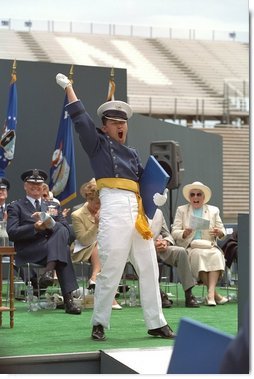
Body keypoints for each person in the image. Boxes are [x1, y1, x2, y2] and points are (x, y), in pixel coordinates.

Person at [56, 73, 175, 341]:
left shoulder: (132, 153)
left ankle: (156, 322)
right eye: (115, 122)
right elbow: (81, 119)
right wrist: (70, 89)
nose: (121, 126)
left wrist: (159, 196)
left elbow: (146, 181)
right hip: (113, 206)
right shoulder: (97, 144)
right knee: (110, 267)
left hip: (137, 211)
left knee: (149, 267)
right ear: (105, 126)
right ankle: (99, 322)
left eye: (123, 123)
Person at [6, 168, 81, 315]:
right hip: (30, 250)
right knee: (63, 249)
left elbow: (68, 232)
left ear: (43, 187)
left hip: (49, 250)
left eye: (39, 185)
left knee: (61, 231)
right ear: (25, 186)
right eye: (32, 185)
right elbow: (12, 233)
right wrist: (34, 227)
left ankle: (49, 271)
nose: (35, 188)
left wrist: (51, 224)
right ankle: (68, 300)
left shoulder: (53, 206)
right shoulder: (16, 206)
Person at [171, 181, 228, 306]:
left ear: (203, 197)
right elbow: (174, 232)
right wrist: (184, 233)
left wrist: (218, 232)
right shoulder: (182, 210)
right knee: (199, 255)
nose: (195, 197)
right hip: (191, 247)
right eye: (192, 195)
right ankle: (213, 295)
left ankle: (211, 294)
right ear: (189, 197)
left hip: (209, 245)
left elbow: (223, 230)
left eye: (198, 194)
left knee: (216, 255)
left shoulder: (213, 210)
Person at [71, 178, 122, 310]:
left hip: (106, 247)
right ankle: (101, 285)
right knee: (98, 244)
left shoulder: (109, 211)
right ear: (89, 199)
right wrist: (96, 224)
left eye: (102, 203)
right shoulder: (77, 215)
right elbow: (84, 240)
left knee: (110, 249)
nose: (100, 206)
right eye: (97, 203)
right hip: (83, 249)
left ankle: (98, 283)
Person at [150, 208, 199, 308]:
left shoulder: (158, 212)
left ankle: (188, 293)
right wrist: (153, 244)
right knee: (145, 257)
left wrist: (165, 242)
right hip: (143, 249)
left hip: (161, 248)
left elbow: (167, 233)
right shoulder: (133, 211)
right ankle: (158, 294)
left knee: (181, 251)